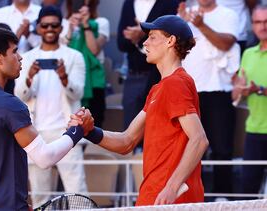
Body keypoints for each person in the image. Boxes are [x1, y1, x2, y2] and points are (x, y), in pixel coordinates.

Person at [71, 15, 209, 206]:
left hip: (170, 197)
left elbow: (199, 139)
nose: (145, 42)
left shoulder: (175, 83)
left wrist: (171, 187)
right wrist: (89, 131)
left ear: (170, 41)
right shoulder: (159, 88)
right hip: (156, 193)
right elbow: (126, 141)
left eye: (152, 37)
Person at [0, 27, 90, 210]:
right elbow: (44, 158)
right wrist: (77, 131)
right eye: (14, 51)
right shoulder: (10, 104)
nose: (20, 58)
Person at [14, 6, 87, 207]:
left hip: (67, 131)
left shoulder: (73, 56)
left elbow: (78, 93)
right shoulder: (26, 57)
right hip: (35, 133)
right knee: (39, 195)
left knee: (77, 191)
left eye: (54, 25)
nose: (49, 29)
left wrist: (63, 77)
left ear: (61, 27)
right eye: (45, 25)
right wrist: (29, 77)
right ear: (37, 27)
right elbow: (19, 95)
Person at [179, 0, 240, 200]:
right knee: (190, 151)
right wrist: (180, 23)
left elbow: (226, 43)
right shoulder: (183, 14)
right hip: (189, 92)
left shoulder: (228, 14)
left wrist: (201, 25)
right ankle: (193, 197)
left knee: (222, 149)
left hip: (219, 90)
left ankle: (223, 197)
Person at [117, 0, 180, 152]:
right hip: (133, 76)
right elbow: (121, 43)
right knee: (131, 135)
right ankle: (135, 175)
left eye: (151, 37)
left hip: (160, 77)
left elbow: (171, 41)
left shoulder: (170, 3)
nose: (147, 42)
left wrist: (140, 36)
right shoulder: (129, 3)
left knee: (159, 134)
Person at [232, 4, 267, 199]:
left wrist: (259, 90)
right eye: (258, 22)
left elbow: (257, 89)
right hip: (254, 131)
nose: (262, 26)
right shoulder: (247, 54)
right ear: (252, 25)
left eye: (266, 21)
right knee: (247, 193)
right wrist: (239, 88)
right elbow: (236, 95)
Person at [63, 0, 109, 127]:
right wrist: (70, 30)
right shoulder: (62, 23)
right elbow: (61, 51)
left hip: (93, 82)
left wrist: (86, 25)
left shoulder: (101, 23)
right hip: (69, 79)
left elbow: (94, 49)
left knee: (94, 124)